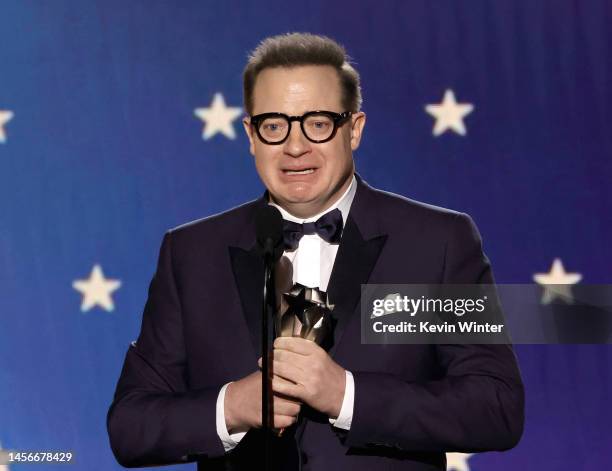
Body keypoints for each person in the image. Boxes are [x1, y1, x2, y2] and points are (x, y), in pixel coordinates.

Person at [107, 33, 524, 470]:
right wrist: (231, 407)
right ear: (250, 134)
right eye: (274, 125)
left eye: (318, 122)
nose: (295, 145)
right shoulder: (191, 253)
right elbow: (130, 427)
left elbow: (495, 407)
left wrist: (346, 395)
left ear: (355, 129)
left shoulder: (436, 243)